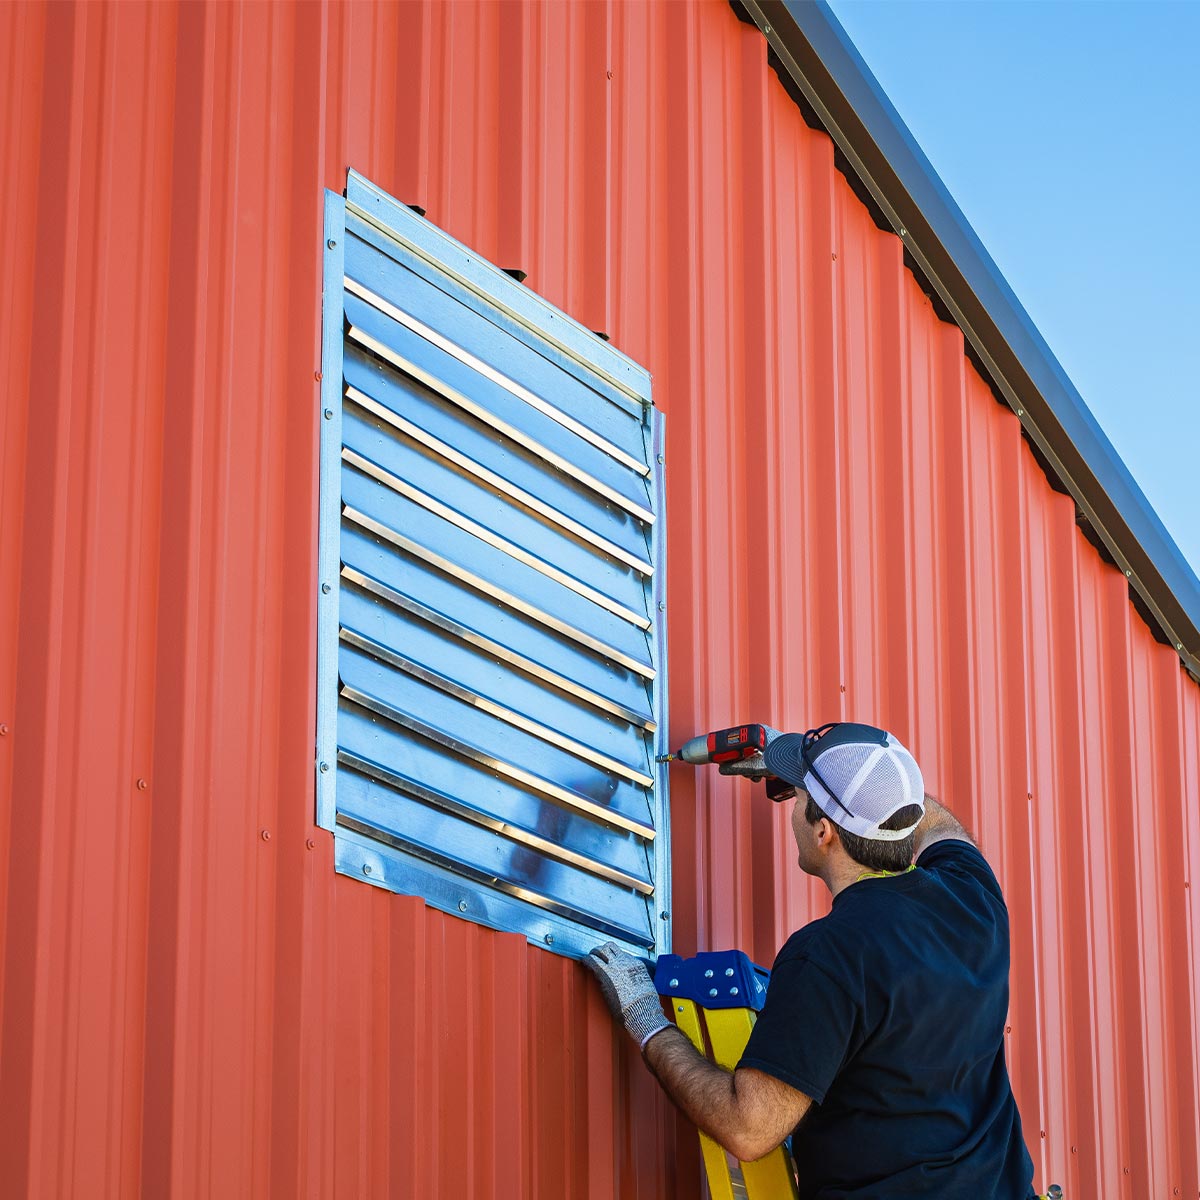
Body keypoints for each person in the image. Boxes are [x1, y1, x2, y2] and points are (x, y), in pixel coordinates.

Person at [585, 721, 1038, 1199]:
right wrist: (842, 770)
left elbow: (749, 1128)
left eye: (799, 796)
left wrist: (647, 1023)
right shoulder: (972, 897)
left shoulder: (829, 954)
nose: (794, 803)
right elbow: (933, 822)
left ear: (823, 831)